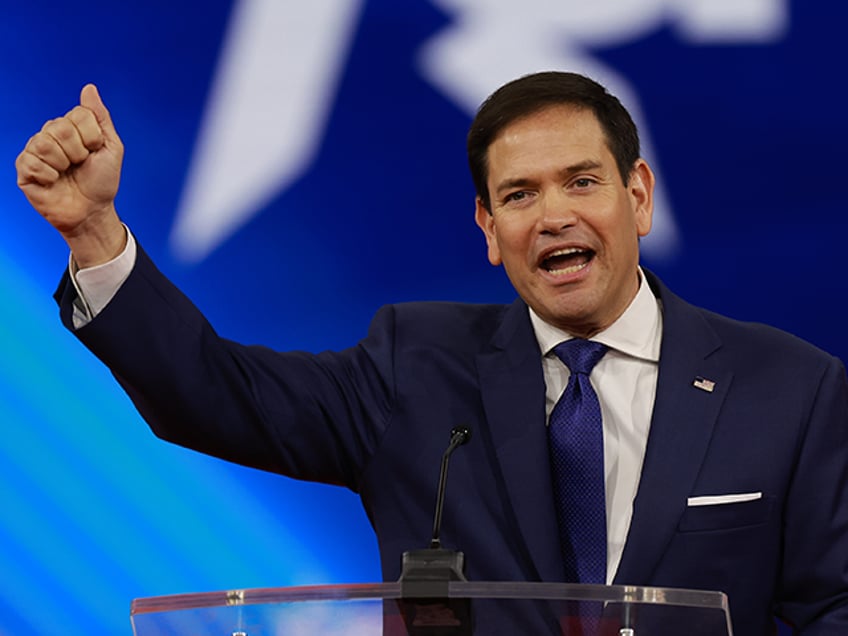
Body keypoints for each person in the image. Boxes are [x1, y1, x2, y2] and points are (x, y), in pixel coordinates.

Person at [15, 72, 848, 635]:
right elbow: (213, 392)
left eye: (582, 181)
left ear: (638, 196)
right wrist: (93, 232)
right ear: (489, 231)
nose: (552, 215)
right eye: (518, 195)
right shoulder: (413, 367)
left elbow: (833, 609)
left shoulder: (789, 387)